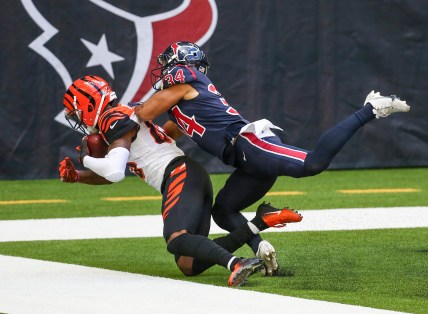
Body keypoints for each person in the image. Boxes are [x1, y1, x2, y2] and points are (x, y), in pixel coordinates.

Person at [133, 41, 411, 275]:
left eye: (168, 63)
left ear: (182, 65)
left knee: (312, 164)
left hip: (250, 143)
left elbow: (144, 114)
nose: (164, 70)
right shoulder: (182, 104)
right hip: (245, 160)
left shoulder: (187, 83)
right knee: (223, 209)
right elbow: (161, 135)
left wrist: (117, 118)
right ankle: (260, 246)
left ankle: (370, 109)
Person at [57, 75, 302, 287]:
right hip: (188, 175)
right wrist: (77, 176)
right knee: (188, 264)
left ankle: (237, 264)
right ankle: (260, 221)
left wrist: (85, 159)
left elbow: (114, 171)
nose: (78, 119)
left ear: (89, 105)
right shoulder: (121, 115)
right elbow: (112, 174)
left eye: (77, 113)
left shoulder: (112, 118)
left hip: (179, 174)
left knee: (176, 239)